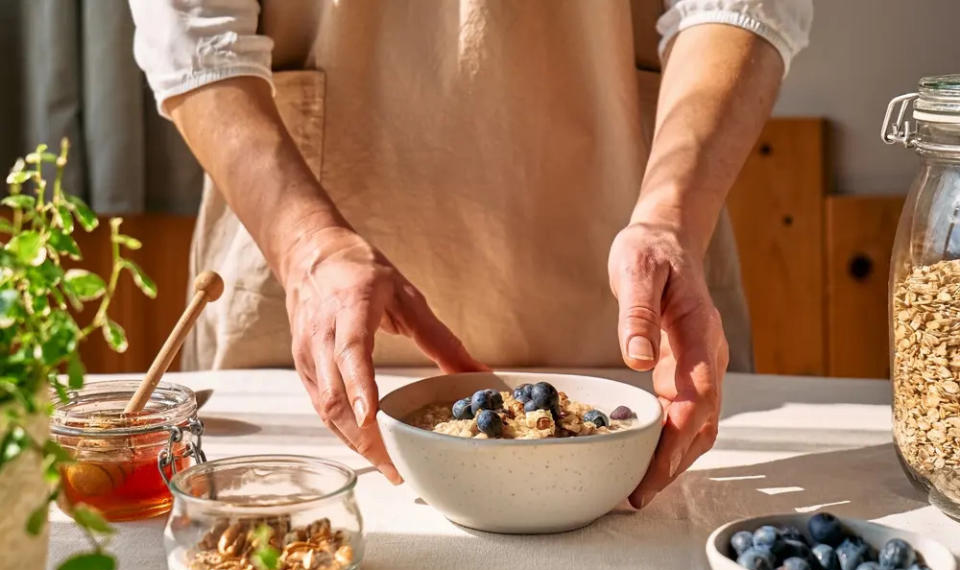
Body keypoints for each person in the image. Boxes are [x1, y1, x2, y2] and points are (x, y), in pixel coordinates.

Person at [129, 0, 812, 509]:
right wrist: (308, 246)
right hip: (303, 308)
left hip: (632, 288)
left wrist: (670, 219)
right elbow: (193, 35)